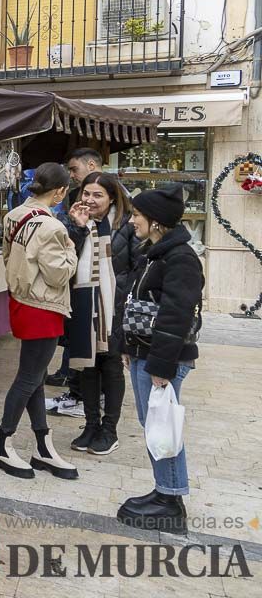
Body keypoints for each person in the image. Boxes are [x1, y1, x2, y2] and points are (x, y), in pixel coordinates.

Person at [116, 184, 202, 534]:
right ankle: (165, 492)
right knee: (155, 424)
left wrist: (161, 368)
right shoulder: (155, 252)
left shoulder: (179, 258)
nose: (132, 220)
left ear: (155, 222)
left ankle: (169, 499)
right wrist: (126, 345)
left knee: (162, 425)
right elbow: (136, 303)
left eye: (137, 215)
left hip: (159, 359)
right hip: (145, 354)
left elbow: (176, 315)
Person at [0, 162, 79, 481]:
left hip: (20, 301)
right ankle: (3, 443)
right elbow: (59, 274)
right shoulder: (54, 227)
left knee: (36, 377)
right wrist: (72, 249)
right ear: (60, 192)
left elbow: (5, 256)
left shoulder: (13, 215)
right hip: (43, 305)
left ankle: (43, 444)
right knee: (29, 377)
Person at [60, 172, 131, 456]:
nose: (90, 200)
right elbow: (66, 260)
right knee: (87, 367)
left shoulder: (125, 225)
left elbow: (132, 268)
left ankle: (109, 430)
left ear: (112, 198)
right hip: (83, 304)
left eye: (97, 195)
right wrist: (77, 228)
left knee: (111, 367)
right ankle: (90, 425)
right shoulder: (73, 223)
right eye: (86, 194)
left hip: (115, 307)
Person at [45, 147, 106, 392]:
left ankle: (78, 383)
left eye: (74, 169)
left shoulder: (114, 198)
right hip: (77, 273)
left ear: (91, 165)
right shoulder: (73, 196)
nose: (71, 175)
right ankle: (69, 376)